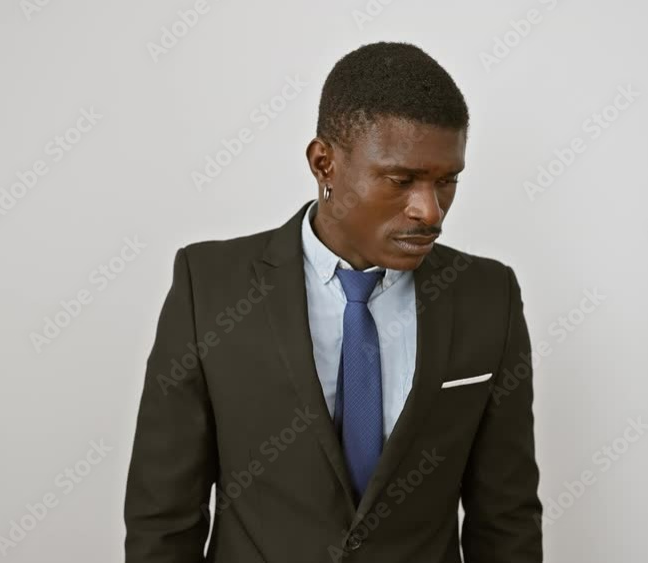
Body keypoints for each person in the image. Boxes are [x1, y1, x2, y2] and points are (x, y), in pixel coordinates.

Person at [124, 41, 543, 562]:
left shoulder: (488, 296)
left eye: (447, 180)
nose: (429, 210)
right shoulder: (209, 287)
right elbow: (163, 517)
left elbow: (507, 519)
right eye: (401, 180)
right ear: (324, 164)